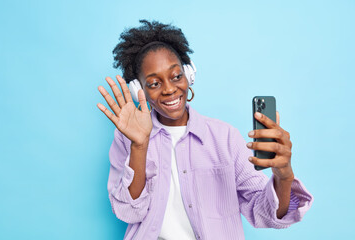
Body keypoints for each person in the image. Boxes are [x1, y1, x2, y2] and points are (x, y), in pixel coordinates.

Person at [97, 20, 313, 240]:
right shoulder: (126, 139)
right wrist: (140, 146)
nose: (170, 89)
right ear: (138, 90)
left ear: (189, 74)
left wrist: (283, 176)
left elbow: (264, 213)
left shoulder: (224, 137)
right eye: (154, 83)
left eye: (176, 76)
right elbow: (129, 212)